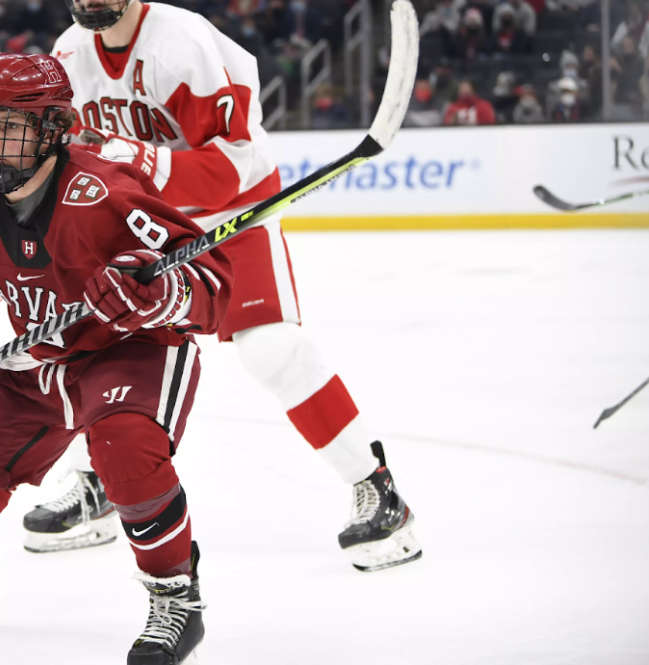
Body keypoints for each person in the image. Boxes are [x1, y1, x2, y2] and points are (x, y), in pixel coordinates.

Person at [0, 53, 232, 665]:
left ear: (55, 130)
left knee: (125, 451)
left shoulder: (106, 194)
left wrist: (157, 292)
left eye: (11, 126)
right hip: (37, 357)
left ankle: (176, 597)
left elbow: (211, 289)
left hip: (127, 350)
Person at [41, 0, 423, 573]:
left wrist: (135, 157)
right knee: (84, 346)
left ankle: (378, 489)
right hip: (138, 220)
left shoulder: (183, 43)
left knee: (273, 350)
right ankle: (96, 486)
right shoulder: (68, 53)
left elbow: (231, 168)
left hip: (231, 212)